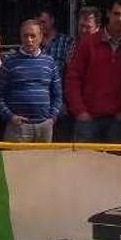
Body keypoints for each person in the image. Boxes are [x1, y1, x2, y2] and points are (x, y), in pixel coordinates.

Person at [67, 0, 121, 143]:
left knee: (114, 165)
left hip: (117, 121)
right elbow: (73, 77)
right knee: (82, 164)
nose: (120, 18)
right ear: (108, 13)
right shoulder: (88, 43)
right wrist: (80, 110)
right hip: (88, 118)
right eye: (116, 13)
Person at [0, 20, 62, 143]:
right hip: (18, 127)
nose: (29, 40)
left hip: (44, 127)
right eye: (26, 36)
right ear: (20, 37)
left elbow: (57, 94)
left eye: (33, 36)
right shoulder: (9, 63)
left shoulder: (50, 62)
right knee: (15, 162)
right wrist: (10, 116)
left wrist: (52, 118)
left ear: (41, 37)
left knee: (43, 162)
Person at [38, 8, 74, 141]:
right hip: (39, 103)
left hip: (60, 103)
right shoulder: (34, 44)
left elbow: (71, 73)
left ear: (52, 21)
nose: (41, 25)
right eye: (38, 23)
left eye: (43, 21)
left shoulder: (66, 42)